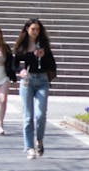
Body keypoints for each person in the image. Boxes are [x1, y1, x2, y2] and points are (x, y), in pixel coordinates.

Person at [14, 19, 58, 159]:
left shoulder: (43, 44)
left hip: (42, 80)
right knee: (28, 117)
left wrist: (43, 56)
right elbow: (14, 64)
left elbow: (52, 64)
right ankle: (29, 147)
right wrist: (20, 71)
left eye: (37, 29)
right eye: (33, 29)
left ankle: (39, 139)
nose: (35, 32)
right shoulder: (22, 45)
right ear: (27, 29)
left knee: (40, 114)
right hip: (27, 81)